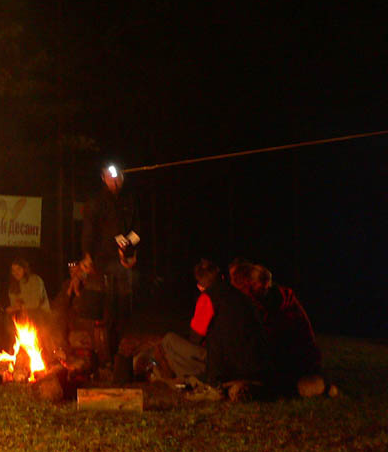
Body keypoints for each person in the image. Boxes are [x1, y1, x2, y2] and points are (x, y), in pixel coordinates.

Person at [137, 259, 272, 399]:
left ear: (200, 286)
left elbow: (195, 337)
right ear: (223, 277)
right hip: (255, 364)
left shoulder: (208, 297)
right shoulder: (241, 297)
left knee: (169, 340)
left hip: (226, 366)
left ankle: (198, 381)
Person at [229, 260, 334, 397]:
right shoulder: (267, 300)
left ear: (256, 285)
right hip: (296, 360)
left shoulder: (280, 306)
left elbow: (273, 339)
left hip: (295, 361)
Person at [81, 162, 140, 353]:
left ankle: (119, 353)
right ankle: (99, 353)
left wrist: (130, 250)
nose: (114, 180)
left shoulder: (129, 200)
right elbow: (89, 231)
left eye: (118, 176)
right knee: (100, 310)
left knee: (122, 309)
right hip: (101, 261)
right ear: (103, 178)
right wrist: (87, 255)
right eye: (110, 176)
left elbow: (137, 230)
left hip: (123, 262)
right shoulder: (96, 202)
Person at [51, 256, 109, 371]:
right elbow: (59, 305)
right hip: (72, 320)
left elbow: (95, 304)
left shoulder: (92, 282)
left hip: (89, 319)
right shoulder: (67, 284)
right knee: (59, 319)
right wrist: (68, 293)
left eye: (76, 271)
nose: (74, 274)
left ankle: (99, 360)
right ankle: (63, 354)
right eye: (71, 271)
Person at [2, 258, 51, 351]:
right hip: (24, 319)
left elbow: (34, 303)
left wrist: (17, 307)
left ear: (24, 269)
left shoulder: (35, 280)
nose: (16, 273)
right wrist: (12, 309)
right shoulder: (13, 286)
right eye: (13, 270)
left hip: (40, 317)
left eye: (18, 269)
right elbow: (14, 305)